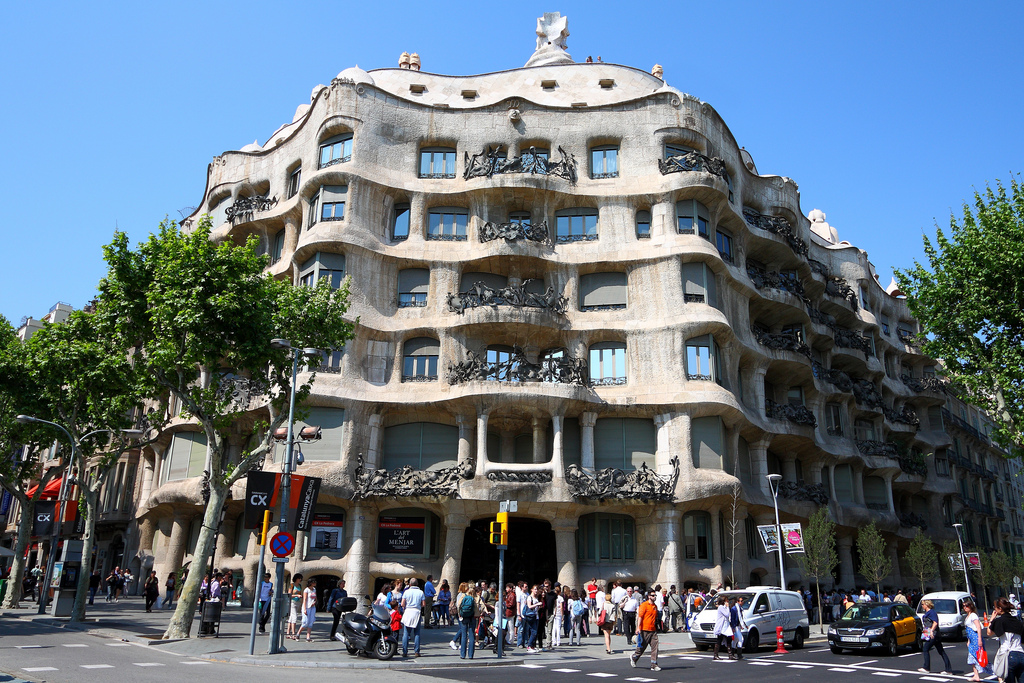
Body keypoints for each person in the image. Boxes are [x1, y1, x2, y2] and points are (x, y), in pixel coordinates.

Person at [989, 596, 1024, 683]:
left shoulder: (1000, 621)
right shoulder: (1018, 622)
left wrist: (992, 619)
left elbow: (989, 632)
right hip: (1021, 654)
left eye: (995, 608)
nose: (995, 610)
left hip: (1008, 655)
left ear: (1000, 609)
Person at [917, 598, 953, 674]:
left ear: (927, 605)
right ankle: (948, 669)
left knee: (925, 648)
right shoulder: (928, 613)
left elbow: (935, 623)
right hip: (929, 632)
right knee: (941, 651)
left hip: (933, 634)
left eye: (923, 604)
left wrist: (931, 631)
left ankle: (926, 667)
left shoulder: (932, 612)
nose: (922, 606)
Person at [630, 590, 661, 671]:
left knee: (655, 647)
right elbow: (640, 617)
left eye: (655, 595)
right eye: (653, 595)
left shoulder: (655, 606)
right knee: (642, 648)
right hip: (644, 629)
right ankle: (634, 657)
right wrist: (638, 627)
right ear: (649, 596)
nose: (654, 597)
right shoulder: (644, 605)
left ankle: (654, 664)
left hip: (653, 630)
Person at [964, 599, 993, 681]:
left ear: (971, 606)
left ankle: (996, 673)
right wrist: (968, 641)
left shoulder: (973, 615)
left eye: (966, 606)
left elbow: (978, 627)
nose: (965, 608)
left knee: (980, 656)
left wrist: (979, 639)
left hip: (976, 637)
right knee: (972, 657)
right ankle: (976, 675)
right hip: (971, 639)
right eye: (963, 606)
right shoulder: (968, 616)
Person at [401, 577, 425, 657]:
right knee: (417, 633)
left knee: (406, 633)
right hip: (417, 612)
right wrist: (419, 606)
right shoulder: (421, 592)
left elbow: (402, 604)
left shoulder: (406, 592)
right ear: (417, 584)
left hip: (408, 612)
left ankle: (405, 651)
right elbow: (423, 604)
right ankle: (417, 651)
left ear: (410, 584)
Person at [295, 577, 317, 642]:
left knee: (311, 622)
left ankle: (308, 637)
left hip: (312, 607)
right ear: (310, 583)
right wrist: (304, 609)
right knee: (305, 622)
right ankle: (298, 634)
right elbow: (304, 600)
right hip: (307, 607)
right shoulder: (306, 590)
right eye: (314, 582)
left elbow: (315, 598)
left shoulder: (314, 589)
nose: (315, 583)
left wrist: (314, 602)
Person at [458, 585, 477, 659]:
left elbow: (458, 604)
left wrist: (460, 614)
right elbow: (480, 606)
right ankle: (471, 655)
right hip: (472, 616)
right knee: (471, 635)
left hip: (464, 616)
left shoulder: (463, 596)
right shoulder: (475, 597)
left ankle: (462, 655)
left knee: (464, 635)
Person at [713, 595, 734, 660]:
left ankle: (730, 655)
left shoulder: (723, 607)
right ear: (723, 601)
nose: (727, 602)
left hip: (726, 626)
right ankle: (715, 655)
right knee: (719, 640)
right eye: (726, 600)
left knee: (729, 639)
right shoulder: (721, 607)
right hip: (722, 626)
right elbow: (727, 614)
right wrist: (727, 607)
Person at [524, 584, 542, 652]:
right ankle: (529, 646)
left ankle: (532, 646)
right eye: (535, 589)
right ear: (531, 590)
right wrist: (537, 604)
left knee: (535, 631)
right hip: (531, 616)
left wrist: (539, 607)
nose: (536, 591)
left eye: (537, 589)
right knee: (533, 631)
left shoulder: (536, 598)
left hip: (536, 616)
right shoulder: (529, 597)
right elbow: (529, 606)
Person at [286, 574, 303, 639]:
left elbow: (300, 593)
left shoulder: (300, 586)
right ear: (296, 578)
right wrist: (296, 596)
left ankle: (288, 633)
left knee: (291, 618)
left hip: (298, 602)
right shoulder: (291, 585)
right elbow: (289, 595)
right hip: (292, 602)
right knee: (294, 617)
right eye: (299, 578)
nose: (300, 580)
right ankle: (293, 633)